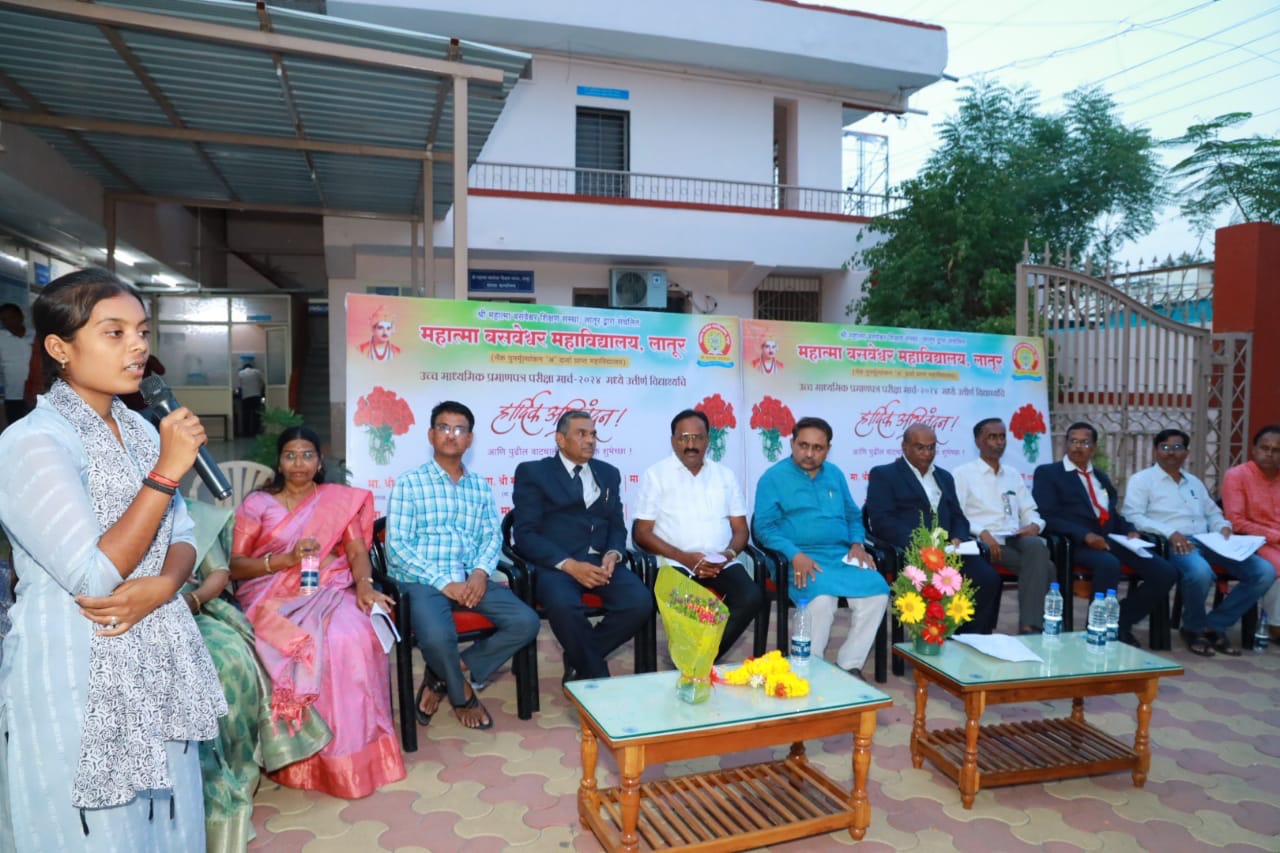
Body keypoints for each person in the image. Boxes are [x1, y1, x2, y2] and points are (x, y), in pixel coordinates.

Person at [0, 268, 226, 850]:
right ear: (60, 348)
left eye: (142, 331)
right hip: (77, 660)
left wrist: (166, 586)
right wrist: (167, 470)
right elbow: (93, 576)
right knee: (98, 832)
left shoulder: (142, 430)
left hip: (157, 651)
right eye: (114, 332)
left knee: (168, 823)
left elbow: (183, 532)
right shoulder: (32, 442)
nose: (137, 346)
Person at [229, 426, 405, 798]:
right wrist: (285, 560)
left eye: (307, 454)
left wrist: (364, 585)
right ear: (279, 462)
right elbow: (236, 566)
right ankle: (302, 757)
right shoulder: (257, 504)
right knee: (310, 644)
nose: (299, 463)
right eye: (290, 455)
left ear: (319, 461)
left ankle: (356, 754)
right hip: (271, 596)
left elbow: (356, 551)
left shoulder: (336, 500)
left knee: (353, 634)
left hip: (329, 587)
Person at [182, 498, 329, 852]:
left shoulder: (189, 512)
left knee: (229, 663)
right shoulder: (91, 507)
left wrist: (193, 600)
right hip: (120, 616)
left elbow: (219, 573)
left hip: (191, 609)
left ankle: (229, 776)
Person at [386, 401, 539, 730]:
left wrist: (481, 573)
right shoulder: (409, 483)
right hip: (422, 580)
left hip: (470, 578)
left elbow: (491, 537)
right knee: (439, 638)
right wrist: (444, 583)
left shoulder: (480, 486)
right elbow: (397, 547)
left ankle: (442, 675)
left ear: (470, 439)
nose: (451, 435)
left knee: (526, 622)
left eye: (459, 429)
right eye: (443, 427)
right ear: (431, 435)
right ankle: (461, 695)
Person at [511, 410, 652, 682]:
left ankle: (579, 657)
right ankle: (597, 675)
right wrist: (570, 565)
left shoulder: (608, 473)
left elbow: (617, 524)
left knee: (639, 602)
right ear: (560, 439)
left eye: (593, 434)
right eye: (581, 434)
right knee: (564, 606)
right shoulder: (533, 472)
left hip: (600, 562)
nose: (590, 440)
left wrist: (613, 553)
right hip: (556, 566)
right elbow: (525, 534)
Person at [754, 416, 888, 677]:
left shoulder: (835, 475)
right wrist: (794, 554)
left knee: (877, 590)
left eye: (818, 448)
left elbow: (853, 516)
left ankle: (849, 665)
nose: (809, 453)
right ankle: (807, 668)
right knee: (822, 599)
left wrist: (857, 543)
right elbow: (764, 528)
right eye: (803, 445)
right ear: (792, 443)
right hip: (796, 558)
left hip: (839, 555)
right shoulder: (773, 478)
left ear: (828, 449)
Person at [1123, 429, 1273, 656]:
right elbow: (1133, 516)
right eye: (1165, 447)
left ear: (1186, 453)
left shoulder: (1194, 482)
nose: (1171, 453)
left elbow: (1213, 513)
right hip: (1172, 542)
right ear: (1155, 451)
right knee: (1200, 572)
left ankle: (1214, 624)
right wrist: (1170, 533)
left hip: (1209, 541)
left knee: (1264, 572)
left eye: (1177, 448)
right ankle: (1193, 628)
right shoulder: (1142, 480)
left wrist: (1222, 526)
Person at [633, 409, 764, 661]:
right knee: (697, 609)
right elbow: (642, 533)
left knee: (751, 597)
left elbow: (740, 530)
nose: (691, 444)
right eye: (684, 438)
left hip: (720, 562)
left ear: (708, 440)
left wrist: (726, 556)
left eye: (698, 437)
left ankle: (698, 660)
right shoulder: (656, 475)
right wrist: (687, 558)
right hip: (674, 563)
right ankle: (697, 661)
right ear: (673, 441)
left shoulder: (725, 476)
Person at [1032, 421, 1177, 647]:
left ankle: (1118, 622)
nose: (1078, 447)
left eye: (1084, 442)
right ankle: (1096, 630)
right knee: (1108, 564)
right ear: (1066, 444)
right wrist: (1085, 535)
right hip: (1073, 542)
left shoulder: (1100, 477)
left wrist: (1130, 531)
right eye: (1073, 441)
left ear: (1093, 448)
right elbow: (1046, 515)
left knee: (1165, 572)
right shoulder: (1049, 473)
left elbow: (1111, 515)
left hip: (1109, 539)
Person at [867, 423, 1003, 634]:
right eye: (920, 447)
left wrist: (958, 537)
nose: (927, 453)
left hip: (950, 551)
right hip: (912, 553)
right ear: (905, 447)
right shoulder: (884, 475)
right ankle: (939, 638)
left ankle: (972, 639)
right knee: (938, 586)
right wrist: (922, 544)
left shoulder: (944, 477)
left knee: (987, 578)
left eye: (931, 448)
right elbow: (882, 521)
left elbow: (958, 516)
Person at [953, 417, 1052, 634]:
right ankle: (1034, 627)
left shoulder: (1013, 474)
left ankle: (1029, 626)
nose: (999, 442)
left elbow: (1030, 510)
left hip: (1014, 538)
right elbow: (957, 515)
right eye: (992, 437)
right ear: (978, 442)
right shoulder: (962, 474)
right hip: (983, 542)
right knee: (1047, 568)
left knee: (1036, 545)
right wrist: (982, 532)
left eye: (1002, 437)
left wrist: (1034, 525)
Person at [1221, 424, 1280, 639]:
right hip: (1253, 541)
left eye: (1276, 450)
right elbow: (1236, 522)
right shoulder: (1237, 476)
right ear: (1254, 450)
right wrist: (1275, 536)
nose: (1270, 454)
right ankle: (1275, 626)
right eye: (1265, 448)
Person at [0, 302, 35, 429]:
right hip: (13, 396)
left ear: (21, 316)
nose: (9, 322)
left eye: (12, 317)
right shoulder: (1, 338)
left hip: (37, 395)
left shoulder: (37, 336)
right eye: (4, 319)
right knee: (16, 432)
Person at [234, 359, 265, 436]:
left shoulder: (240, 373)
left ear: (244, 367)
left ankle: (246, 433)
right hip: (256, 396)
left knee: (246, 416)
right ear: (251, 367)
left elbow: (238, 386)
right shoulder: (257, 372)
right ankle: (256, 432)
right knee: (256, 415)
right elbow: (263, 383)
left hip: (246, 397)